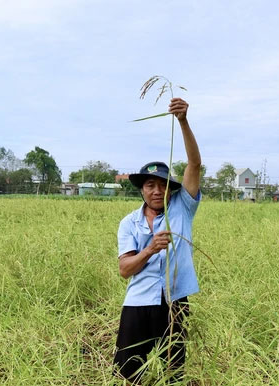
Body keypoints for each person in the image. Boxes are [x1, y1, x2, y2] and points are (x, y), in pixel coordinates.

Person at [113, 98, 202, 384]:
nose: (156, 191)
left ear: (170, 190)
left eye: (162, 185)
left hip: (174, 301)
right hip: (138, 303)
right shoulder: (129, 223)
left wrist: (183, 121)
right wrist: (150, 249)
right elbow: (125, 269)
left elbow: (194, 164)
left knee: (174, 372)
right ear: (141, 190)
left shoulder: (182, 208)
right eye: (150, 185)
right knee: (127, 372)